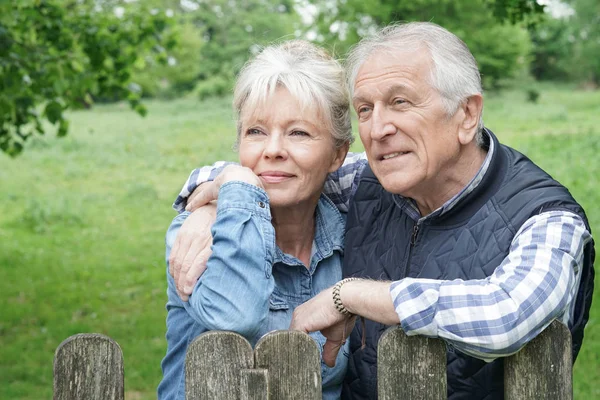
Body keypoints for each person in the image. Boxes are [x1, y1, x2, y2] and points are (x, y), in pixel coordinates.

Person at [169, 22, 595, 399]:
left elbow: (508, 314)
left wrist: (350, 295)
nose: (378, 128)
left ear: (467, 114)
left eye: (401, 102)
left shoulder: (545, 217)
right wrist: (221, 191)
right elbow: (285, 165)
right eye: (366, 109)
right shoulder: (368, 181)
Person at [157, 40, 353, 400]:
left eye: (298, 133)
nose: (273, 149)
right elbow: (236, 317)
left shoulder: (352, 237)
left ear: (338, 154)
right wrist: (237, 183)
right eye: (256, 132)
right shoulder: (196, 234)